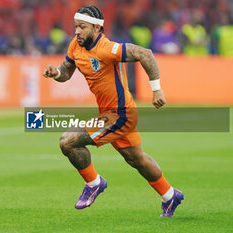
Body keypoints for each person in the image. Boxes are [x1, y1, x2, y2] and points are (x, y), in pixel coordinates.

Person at [43, 5, 184, 217]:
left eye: (82, 27)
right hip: (111, 113)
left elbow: (145, 53)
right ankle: (170, 195)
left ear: (97, 28)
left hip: (120, 114)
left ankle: (94, 183)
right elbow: (66, 72)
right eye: (76, 27)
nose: (77, 31)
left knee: (68, 141)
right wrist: (56, 73)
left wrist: (156, 90)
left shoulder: (107, 49)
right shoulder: (75, 46)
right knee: (137, 159)